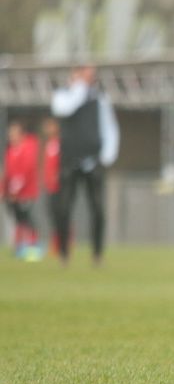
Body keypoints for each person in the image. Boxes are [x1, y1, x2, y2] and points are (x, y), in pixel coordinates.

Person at [51, 65, 120, 267]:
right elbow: (64, 109)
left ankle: (97, 254)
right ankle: (64, 253)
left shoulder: (100, 99)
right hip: (70, 160)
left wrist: (107, 154)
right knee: (63, 208)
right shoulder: (63, 96)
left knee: (98, 209)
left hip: (93, 160)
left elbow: (110, 127)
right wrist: (79, 90)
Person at [3, 120, 42, 260]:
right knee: (18, 219)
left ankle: (34, 247)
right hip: (13, 194)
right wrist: (4, 190)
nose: (11, 136)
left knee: (27, 219)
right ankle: (21, 247)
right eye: (10, 133)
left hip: (26, 192)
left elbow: (26, 171)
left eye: (14, 133)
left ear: (21, 134)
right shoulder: (10, 151)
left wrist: (15, 190)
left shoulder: (28, 148)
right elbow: (8, 173)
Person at [41, 117, 63, 258]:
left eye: (50, 126)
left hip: (59, 187)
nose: (47, 129)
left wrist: (58, 176)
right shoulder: (48, 144)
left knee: (60, 215)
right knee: (52, 215)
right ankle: (55, 244)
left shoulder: (60, 144)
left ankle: (62, 244)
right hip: (49, 186)